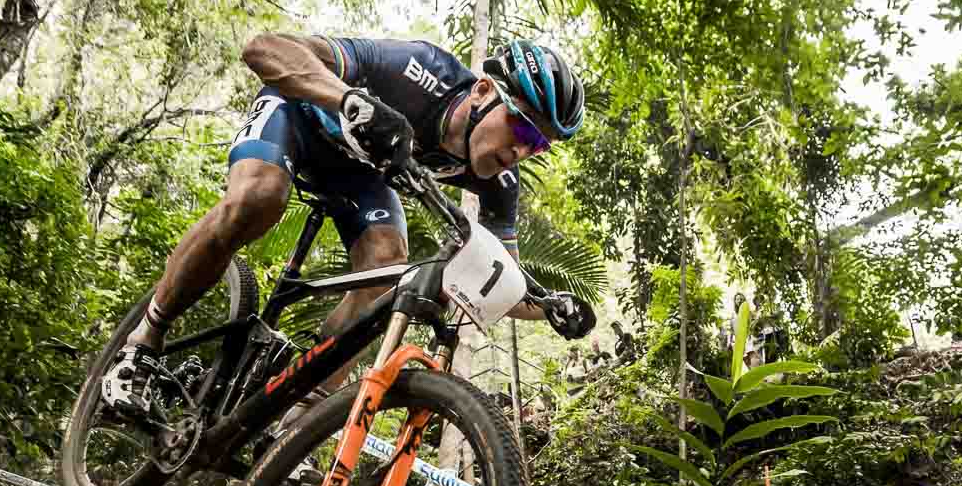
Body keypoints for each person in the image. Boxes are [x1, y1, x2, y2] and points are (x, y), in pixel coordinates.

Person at [101, 34, 593, 415]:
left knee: (386, 270)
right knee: (259, 197)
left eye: (540, 145)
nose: (524, 150)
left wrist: (550, 307)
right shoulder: (419, 69)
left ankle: (296, 406)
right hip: (298, 117)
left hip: (359, 178)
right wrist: (347, 101)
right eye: (524, 127)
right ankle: (143, 342)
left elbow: (503, 281)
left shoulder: (500, 182)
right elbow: (264, 48)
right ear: (484, 91)